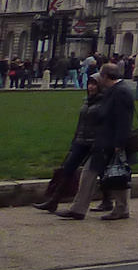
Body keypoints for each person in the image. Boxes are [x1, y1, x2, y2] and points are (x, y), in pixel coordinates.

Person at [58, 64, 135, 221]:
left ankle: (121, 208)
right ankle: (78, 209)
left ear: (106, 76)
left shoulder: (120, 92)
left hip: (112, 142)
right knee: (89, 173)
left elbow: (123, 121)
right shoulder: (116, 90)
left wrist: (119, 144)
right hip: (104, 141)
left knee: (117, 174)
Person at [33, 78, 107, 213]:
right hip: (81, 140)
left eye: (94, 84)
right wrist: (75, 140)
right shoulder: (87, 100)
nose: (91, 87)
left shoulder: (105, 102)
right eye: (89, 84)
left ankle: (107, 200)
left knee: (101, 172)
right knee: (68, 168)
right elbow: (81, 123)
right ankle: (53, 201)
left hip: (95, 142)